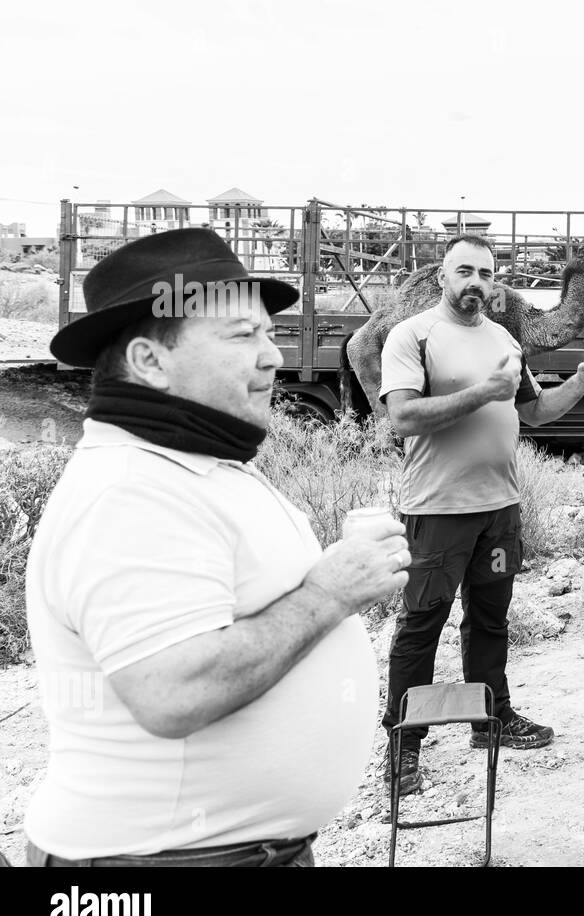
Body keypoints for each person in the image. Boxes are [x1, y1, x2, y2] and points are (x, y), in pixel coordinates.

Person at [25, 229, 409, 866]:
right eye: (240, 336)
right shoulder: (129, 491)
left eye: (267, 333)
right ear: (150, 362)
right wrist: (329, 592)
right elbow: (175, 691)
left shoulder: (188, 460)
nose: (272, 358)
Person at [380, 234, 584, 794]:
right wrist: (486, 391)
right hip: (437, 510)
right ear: (442, 276)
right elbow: (404, 417)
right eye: (465, 271)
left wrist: (580, 382)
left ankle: (492, 720)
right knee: (421, 624)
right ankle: (403, 744)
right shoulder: (412, 336)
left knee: (490, 619)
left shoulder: (505, 338)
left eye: (486, 274)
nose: (476, 283)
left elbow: (533, 410)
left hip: (499, 511)